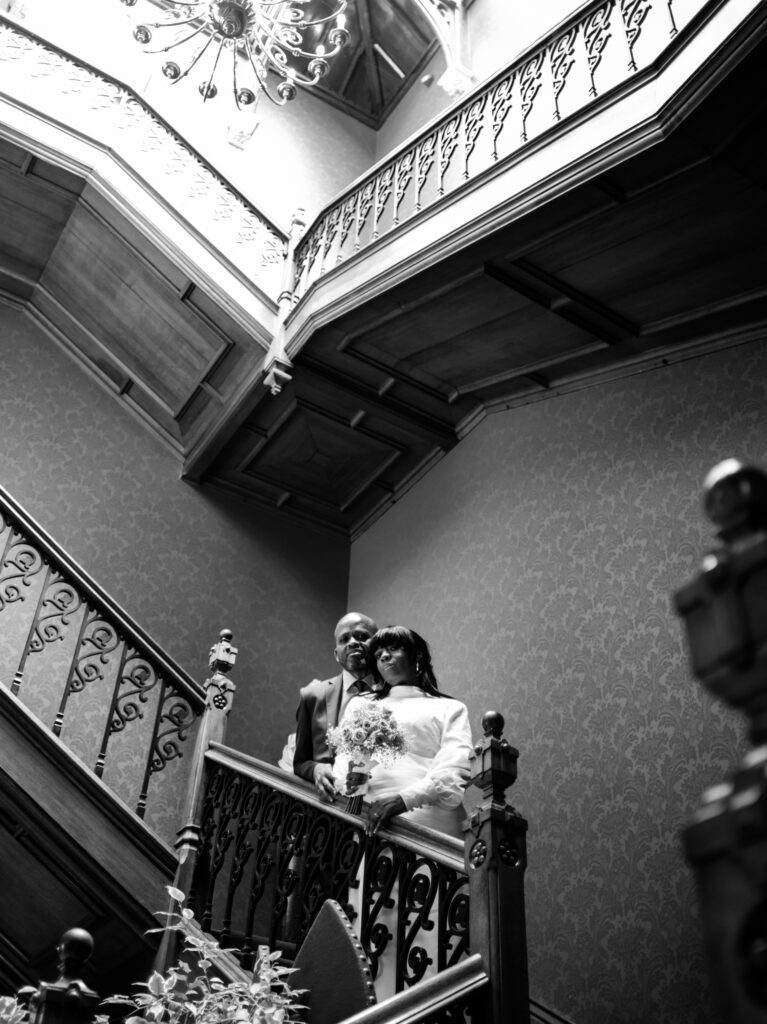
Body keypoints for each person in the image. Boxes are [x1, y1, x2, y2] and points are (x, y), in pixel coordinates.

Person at [333, 625, 472, 839]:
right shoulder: (360, 704)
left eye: (394, 648)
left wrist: (404, 800)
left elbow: (452, 769)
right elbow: (342, 763)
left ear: (416, 655)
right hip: (370, 821)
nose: (384, 657)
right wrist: (350, 782)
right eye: (378, 654)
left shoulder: (450, 708)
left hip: (430, 823)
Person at [293, 612, 379, 797]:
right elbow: (299, 762)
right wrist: (315, 769)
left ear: (378, 645)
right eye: (344, 639)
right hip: (327, 804)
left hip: (376, 803)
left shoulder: (394, 693)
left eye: (362, 636)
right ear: (336, 653)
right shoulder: (312, 696)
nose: (353, 642)